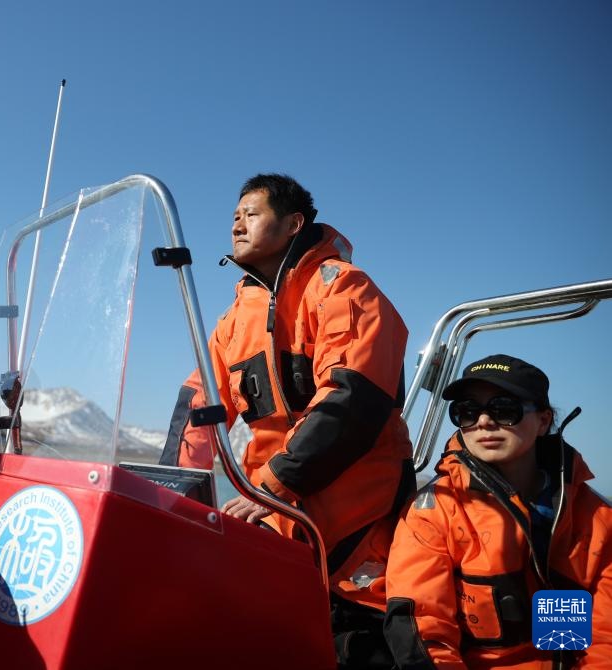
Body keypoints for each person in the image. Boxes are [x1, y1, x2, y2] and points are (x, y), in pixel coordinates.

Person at [159, 173, 414, 666]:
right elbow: (198, 406)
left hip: (356, 530)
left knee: (357, 648)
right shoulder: (234, 321)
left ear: (294, 223)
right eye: (234, 215)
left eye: (251, 213)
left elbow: (352, 401)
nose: (237, 222)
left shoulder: (344, 289)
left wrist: (272, 486)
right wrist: (172, 493)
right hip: (276, 521)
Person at [384, 354, 612, 668]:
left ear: (543, 421)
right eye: (467, 411)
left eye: (504, 409)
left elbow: (607, 638)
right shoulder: (433, 512)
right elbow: (424, 629)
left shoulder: (597, 518)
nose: (484, 422)